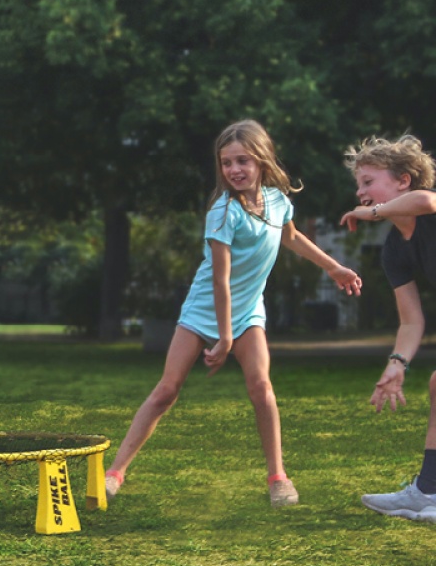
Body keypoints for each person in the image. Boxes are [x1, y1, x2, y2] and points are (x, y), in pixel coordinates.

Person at [105, 120, 363, 508]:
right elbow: (219, 282)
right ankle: (114, 473)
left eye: (242, 160)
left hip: (247, 312)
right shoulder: (223, 213)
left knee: (262, 388)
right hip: (204, 308)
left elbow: (290, 236)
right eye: (226, 163)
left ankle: (278, 478)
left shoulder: (277, 200)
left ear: (261, 160)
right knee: (167, 390)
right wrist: (223, 338)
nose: (234, 170)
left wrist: (332, 267)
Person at [339, 134, 436, 522]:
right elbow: (412, 320)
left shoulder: (428, 208)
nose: (360, 193)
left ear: (404, 180)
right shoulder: (394, 248)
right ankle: (427, 490)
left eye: (368, 181)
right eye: (358, 185)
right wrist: (397, 364)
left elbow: (427, 200)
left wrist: (373, 212)